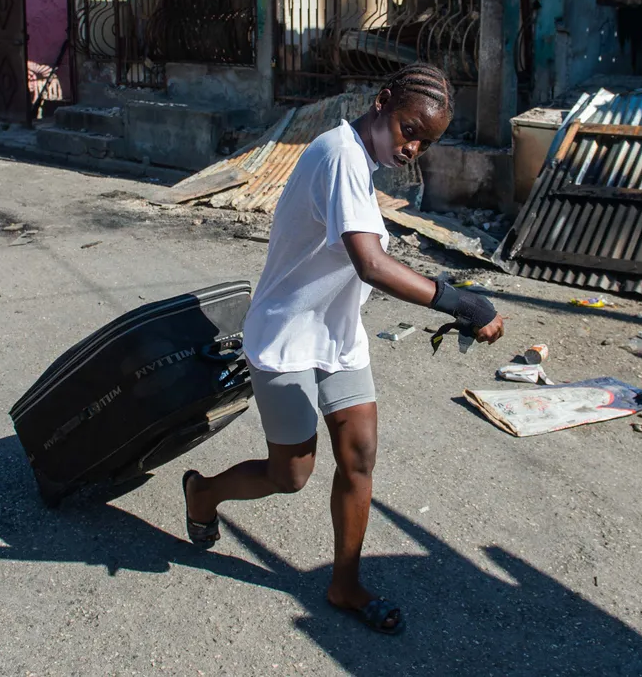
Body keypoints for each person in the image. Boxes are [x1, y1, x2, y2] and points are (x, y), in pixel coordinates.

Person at [181, 63, 505, 636]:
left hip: (338, 337)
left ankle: (345, 584)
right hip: (285, 339)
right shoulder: (337, 155)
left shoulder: (364, 160)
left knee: (358, 458)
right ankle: (203, 492)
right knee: (293, 474)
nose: (413, 149)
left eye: (426, 142)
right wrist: (463, 304)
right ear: (381, 102)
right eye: (409, 130)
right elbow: (371, 263)